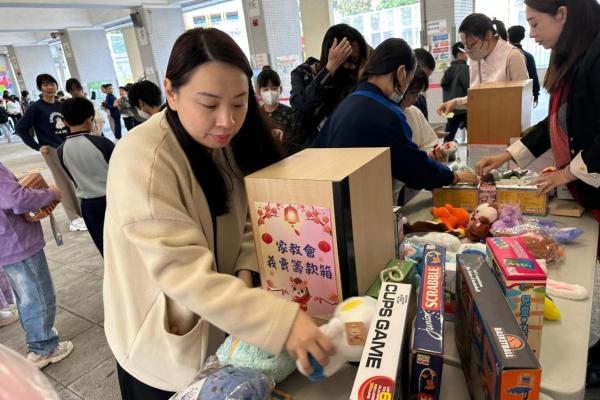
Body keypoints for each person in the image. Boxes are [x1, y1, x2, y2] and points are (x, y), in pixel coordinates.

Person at [103, 28, 333, 399]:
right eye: (209, 105)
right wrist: (284, 322)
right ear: (171, 92)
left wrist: (245, 267)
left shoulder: (219, 142)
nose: (227, 120)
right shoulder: (142, 159)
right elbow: (182, 273)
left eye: (239, 103)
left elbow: (248, 216)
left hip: (220, 328)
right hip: (159, 351)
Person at [474, 0, 600, 383]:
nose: (530, 33)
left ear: (562, 13)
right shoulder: (576, 55)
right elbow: (554, 123)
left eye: (534, 22)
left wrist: (567, 173)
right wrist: (507, 155)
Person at [313, 38, 478, 196]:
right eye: (409, 81)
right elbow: (414, 168)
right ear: (401, 73)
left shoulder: (350, 101)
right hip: (356, 204)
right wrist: (453, 177)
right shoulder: (386, 114)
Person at [0, 161, 74, 368]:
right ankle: (43, 348)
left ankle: (39, 338)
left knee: (26, 297)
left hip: (6, 244)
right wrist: (50, 194)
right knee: (38, 295)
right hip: (17, 242)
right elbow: (15, 198)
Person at [15, 74, 86, 232]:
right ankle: (74, 219)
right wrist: (37, 146)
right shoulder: (36, 107)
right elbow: (20, 128)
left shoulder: (60, 105)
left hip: (67, 146)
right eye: (45, 85)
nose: (50, 87)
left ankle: (81, 213)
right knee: (64, 183)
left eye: (52, 84)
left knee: (75, 180)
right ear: (40, 88)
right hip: (51, 149)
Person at [288, 23, 368, 155]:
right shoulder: (303, 73)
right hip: (307, 153)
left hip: (341, 150)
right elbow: (301, 102)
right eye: (348, 60)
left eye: (357, 61)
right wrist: (330, 68)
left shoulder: (351, 79)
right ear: (331, 53)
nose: (353, 67)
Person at [438, 14, 529, 115]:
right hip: (481, 119)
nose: (468, 51)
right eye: (464, 46)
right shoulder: (476, 57)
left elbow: (523, 99)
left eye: (471, 44)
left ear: (488, 35)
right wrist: (456, 102)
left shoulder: (512, 56)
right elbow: (476, 97)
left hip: (506, 118)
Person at [58, 98, 114, 256]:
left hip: (88, 206)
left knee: (105, 248)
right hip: (112, 200)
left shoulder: (61, 150)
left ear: (65, 122)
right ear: (90, 119)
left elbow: (73, 178)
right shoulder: (102, 143)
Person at [441, 42, 470, 142]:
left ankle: (445, 151)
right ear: (459, 54)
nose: (467, 55)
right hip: (463, 109)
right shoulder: (464, 69)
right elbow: (470, 89)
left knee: (448, 136)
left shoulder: (448, 70)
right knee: (475, 136)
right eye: (466, 52)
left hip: (450, 109)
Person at [256, 66, 293, 142]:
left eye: (274, 88)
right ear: (258, 92)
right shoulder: (256, 115)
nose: (270, 92)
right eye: (265, 89)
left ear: (280, 89)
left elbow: (298, 138)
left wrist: (284, 137)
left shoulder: (290, 113)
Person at [508, 25, 541, 107]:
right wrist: (536, 94)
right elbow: (533, 76)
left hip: (506, 93)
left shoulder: (505, 55)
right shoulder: (528, 56)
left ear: (508, 36)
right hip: (524, 94)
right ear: (522, 37)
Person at [413, 48, 436, 120]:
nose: (423, 83)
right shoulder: (399, 101)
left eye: (426, 78)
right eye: (421, 77)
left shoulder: (421, 99)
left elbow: (424, 123)